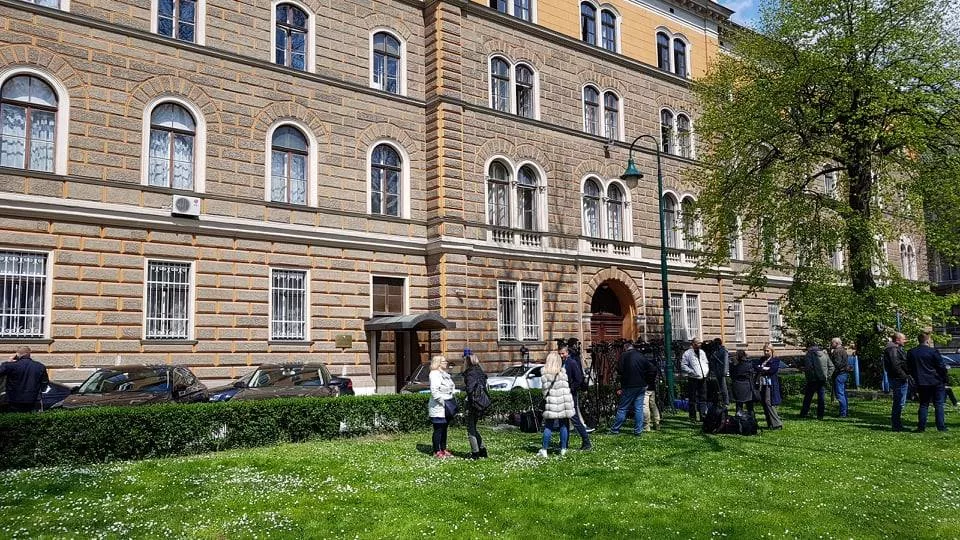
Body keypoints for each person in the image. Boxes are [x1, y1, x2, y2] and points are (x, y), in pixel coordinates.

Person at [907, 332, 949, 432]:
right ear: (927, 340)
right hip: (936, 380)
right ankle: (941, 426)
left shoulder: (911, 352)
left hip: (921, 381)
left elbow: (909, 367)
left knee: (923, 404)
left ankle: (921, 427)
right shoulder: (933, 351)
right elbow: (941, 366)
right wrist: (945, 378)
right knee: (938, 404)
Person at [539, 351, 576, 457]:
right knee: (563, 425)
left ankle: (544, 450)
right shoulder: (562, 373)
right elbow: (566, 387)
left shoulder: (544, 374)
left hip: (551, 402)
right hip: (563, 402)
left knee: (548, 426)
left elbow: (544, 391)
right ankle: (563, 449)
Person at [609, 342, 647, 435]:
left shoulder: (624, 356)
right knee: (639, 408)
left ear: (625, 348)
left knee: (622, 408)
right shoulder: (640, 355)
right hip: (641, 385)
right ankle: (638, 430)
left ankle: (615, 429)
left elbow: (619, 370)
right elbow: (649, 368)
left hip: (629, 385)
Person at [560, 344, 592, 450]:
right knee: (564, 420)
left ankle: (586, 441)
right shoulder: (562, 363)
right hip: (563, 394)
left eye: (563, 353)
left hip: (570, 394)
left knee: (574, 419)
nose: (561, 355)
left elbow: (578, 379)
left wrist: (571, 388)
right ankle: (564, 443)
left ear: (567, 353)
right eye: (560, 354)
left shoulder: (572, 362)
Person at [0, 346, 49, 413]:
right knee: (30, 418)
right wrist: (41, 390)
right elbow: (45, 382)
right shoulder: (40, 366)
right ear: (29, 354)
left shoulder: (10, 366)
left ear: (17, 355)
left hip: (14, 400)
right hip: (33, 399)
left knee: (15, 418)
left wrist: (9, 362)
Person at [427, 355, 456, 458]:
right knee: (438, 429)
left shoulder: (445, 374)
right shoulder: (434, 374)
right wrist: (443, 402)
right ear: (438, 363)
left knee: (444, 428)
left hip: (447, 406)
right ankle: (436, 450)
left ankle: (443, 449)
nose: (446, 363)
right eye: (444, 361)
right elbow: (434, 391)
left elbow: (451, 387)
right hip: (438, 407)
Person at [462, 354, 490, 458]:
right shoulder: (480, 371)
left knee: (470, 429)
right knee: (473, 427)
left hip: (472, 403)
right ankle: (482, 450)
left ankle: (475, 453)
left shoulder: (470, 373)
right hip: (481, 402)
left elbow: (470, 390)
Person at [882, 332, 910, 432]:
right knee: (899, 402)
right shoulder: (892, 349)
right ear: (897, 340)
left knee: (899, 402)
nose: (905, 341)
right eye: (903, 339)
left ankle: (897, 423)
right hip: (898, 378)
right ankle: (896, 424)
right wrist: (904, 376)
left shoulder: (894, 349)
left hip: (897, 377)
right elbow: (895, 365)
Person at [799, 340, 833, 420]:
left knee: (808, 397)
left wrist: (810, 377)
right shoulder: (825, 354)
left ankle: (804, 413)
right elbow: (831, 367)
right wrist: (827, 376)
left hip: (812, 380)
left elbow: (808, 368)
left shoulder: (809, 354)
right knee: (821, 398)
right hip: (822, 379)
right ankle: (820, 415)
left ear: (809, 346)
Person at [680, 339, 710, 422]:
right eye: (697, 343)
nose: (699, 344)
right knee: (692, 398)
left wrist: (706, 371)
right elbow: (683, 366)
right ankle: (692, 416)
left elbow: (706, 363)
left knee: (703, 397)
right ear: (693, 344)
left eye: (700, 343)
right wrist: (692, 372)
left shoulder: (702, 352)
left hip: (703, 377)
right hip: (693, 378)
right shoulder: (687, 353)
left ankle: (703, 415)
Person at [757, 343, 783, 430]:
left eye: (767, 351)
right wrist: (764, 368)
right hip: (762, 383)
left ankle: (777, 423)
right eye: (764, 351)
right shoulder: (762, 359)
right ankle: (770, 423)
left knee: (769, 402)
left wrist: (763, 369)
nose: (765, 352)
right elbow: (757, 368)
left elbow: (772, 370)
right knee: (764, 403)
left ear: (772, 351)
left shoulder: (775, 359)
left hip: (770, 384)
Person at [641, 343, 661, 432]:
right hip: (652, 387)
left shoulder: (644, 364)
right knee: (653, 405)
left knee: (645, 406)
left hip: (645, 387)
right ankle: (657, 422)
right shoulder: (654, 363)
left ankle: (647, 425)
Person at [829, 338, 851, 418]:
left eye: (832, 343)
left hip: (839, 374)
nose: (831, 344)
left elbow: (837, 364)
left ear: (836, 343)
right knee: (843, 394)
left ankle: (843, 413)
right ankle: (845, 411)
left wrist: (832, 372)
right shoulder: (843, 350)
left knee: (840, 394)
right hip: (844, 373)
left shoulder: (837, 351)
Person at [729, 349, 755, 414]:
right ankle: (751, 418)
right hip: (747, 387)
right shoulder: (748, 364)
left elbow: (731, 375)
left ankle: (739, 418)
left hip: (737, 386)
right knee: (750, 406)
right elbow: (751, 375)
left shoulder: (734, 366)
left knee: (739, 406)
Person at [708, 337, 730, 406]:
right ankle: (720, 400)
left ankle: (726, 401)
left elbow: (725, 362)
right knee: (718, 387)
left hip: (721, 371)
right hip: (716, 371)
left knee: (723, 387)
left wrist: (724, 372)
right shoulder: (715, 350)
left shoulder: (724, 351)